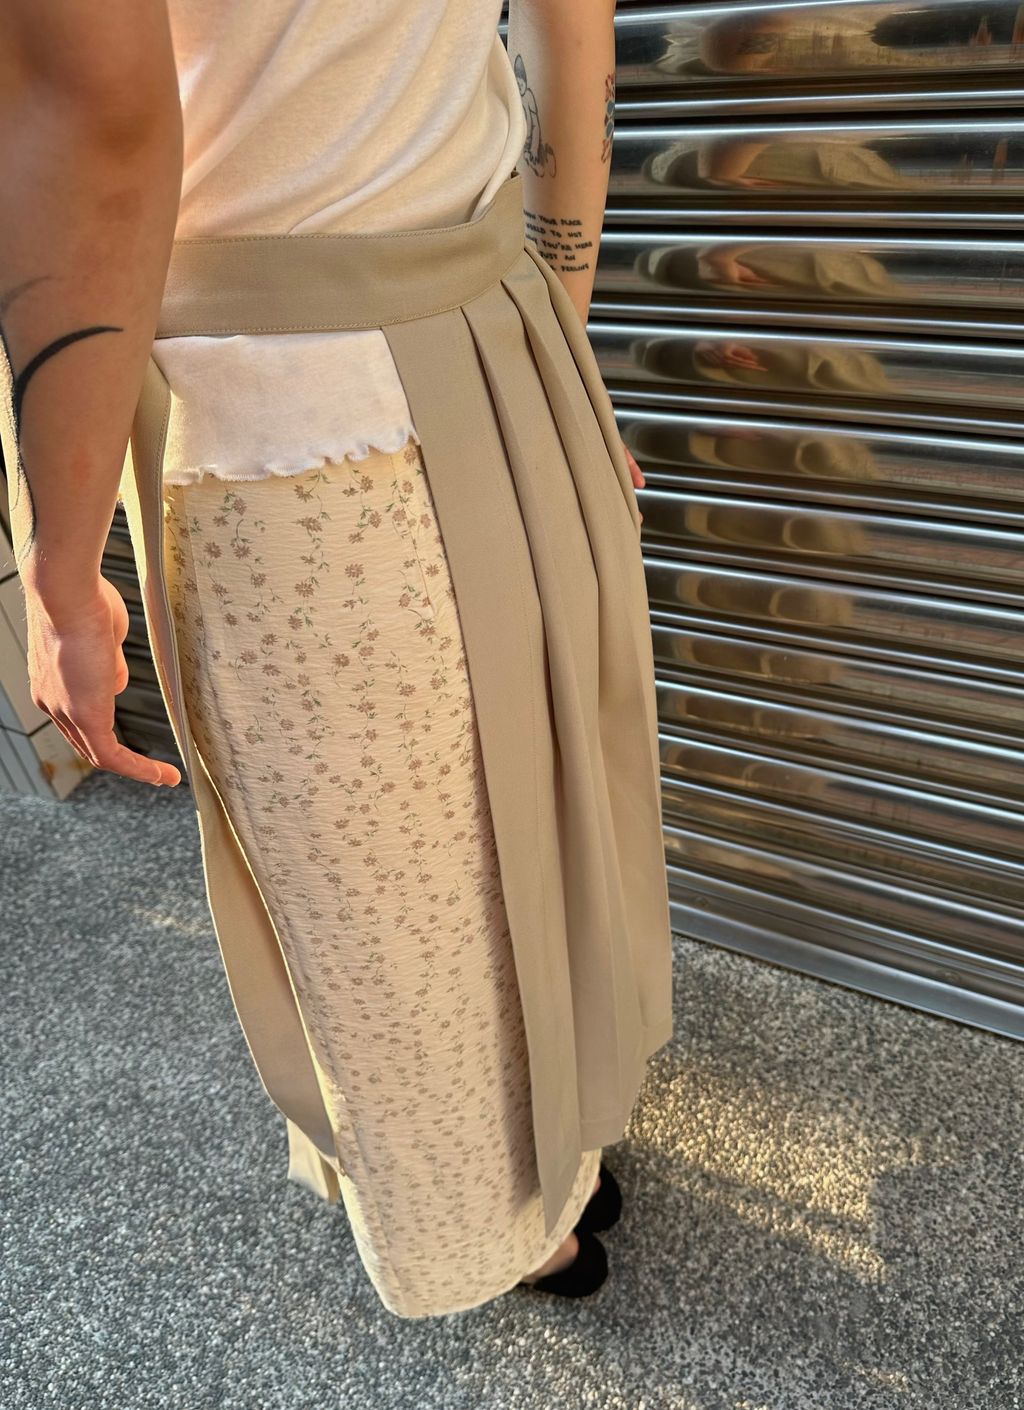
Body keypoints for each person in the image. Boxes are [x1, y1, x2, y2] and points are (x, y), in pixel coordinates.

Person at [0, 0, 673, 1318]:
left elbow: (96, 128)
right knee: (530, 826)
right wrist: (552, 331)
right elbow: (569, 24)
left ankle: (507, 1233)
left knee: (388, 935)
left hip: (280, 418)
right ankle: (566, 1161)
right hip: (504, 336)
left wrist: (60, 571)